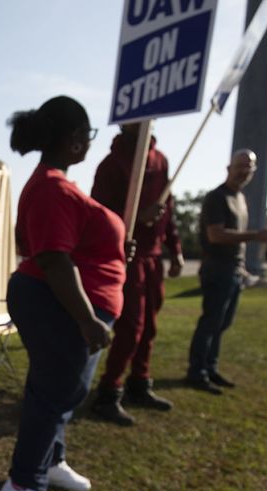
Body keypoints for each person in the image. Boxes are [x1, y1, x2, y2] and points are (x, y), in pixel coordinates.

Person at [0, 96, 126, 491]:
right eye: (88, 137)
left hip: (57, 299)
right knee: (56, 391)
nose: (89, 144)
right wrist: (88, 319)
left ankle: (50, 462)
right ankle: (23, 485)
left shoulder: (53, 185)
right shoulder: (52, 186)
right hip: (56, 300)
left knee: (58, 388)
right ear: (74, 141)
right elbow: (53, 258)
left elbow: (68, 247)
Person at [88, 122, 183, 426]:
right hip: (125, 257)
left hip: (153, 258)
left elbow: (167, 208)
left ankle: (139, 383)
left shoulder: (160, 160)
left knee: (150, 326)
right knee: (131, 327)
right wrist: (134, 218)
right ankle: (109, 391)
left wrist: (174, 248)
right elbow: (98, 215)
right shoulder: (111, 164)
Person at [185, 149, 267, 395]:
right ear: (229, 167)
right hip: (217, 268)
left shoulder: (240, 199)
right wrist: (255, 235)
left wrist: (242, 266)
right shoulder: (217, 197)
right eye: (240, 165)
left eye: (249, 167)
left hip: (234, 269)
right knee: (210, 322)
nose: (244, 171)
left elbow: (236, 242)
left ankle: (210, 367)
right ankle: (197, 371)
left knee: (223, 323)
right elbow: (216, 235)